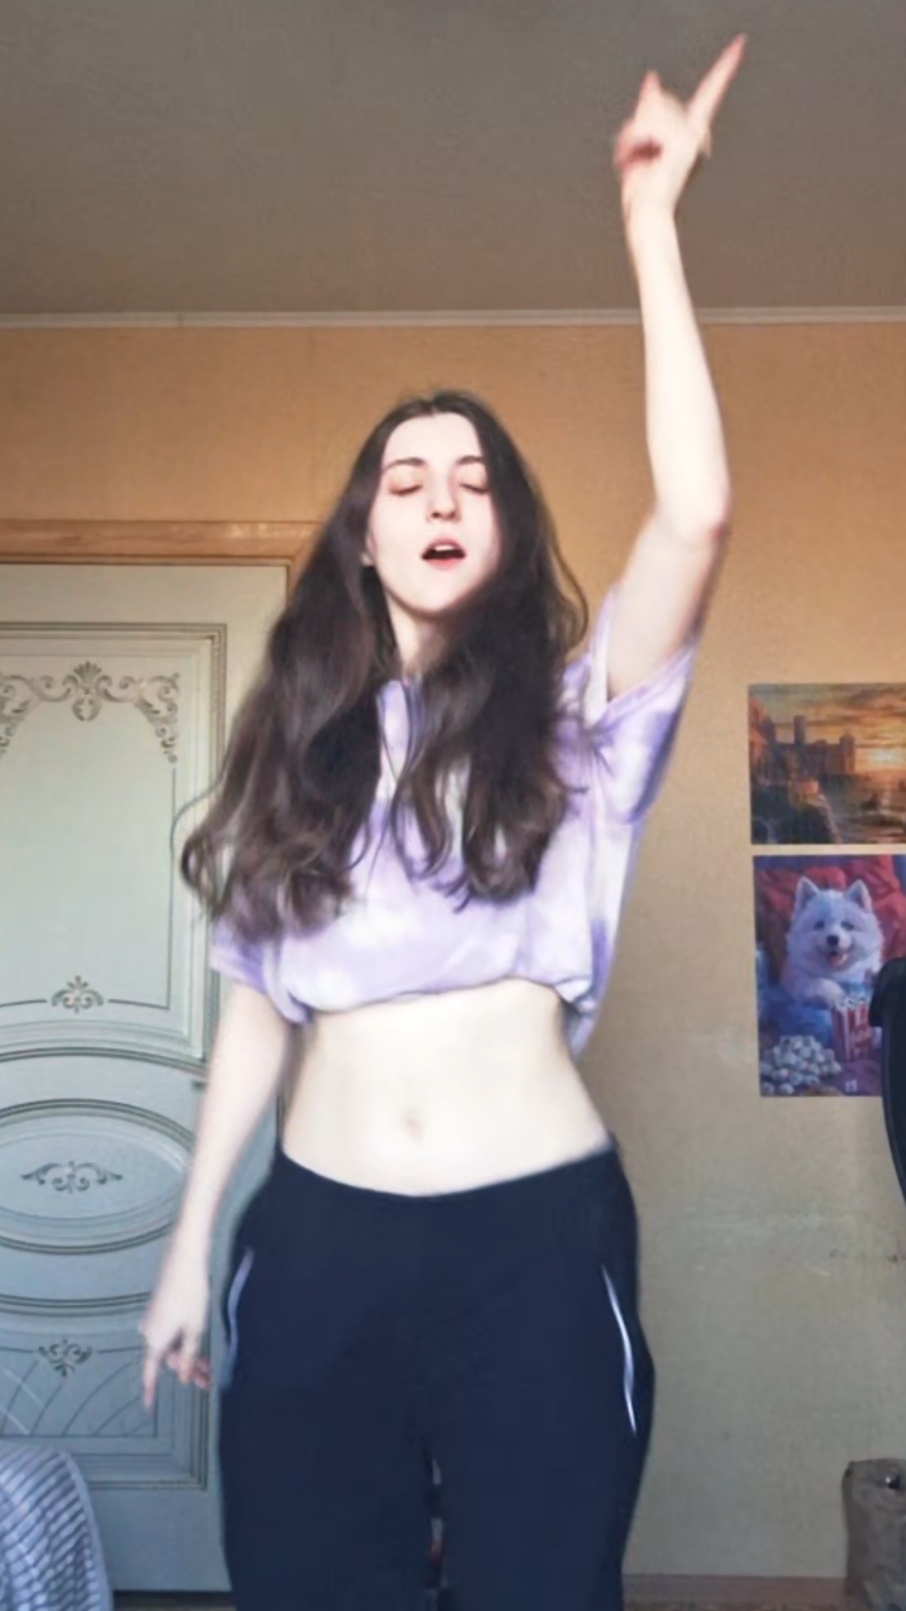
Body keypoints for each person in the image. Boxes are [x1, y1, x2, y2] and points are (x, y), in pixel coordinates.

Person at [139, 36, 746, 1611]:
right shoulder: (301, 745)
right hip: (317, 1247)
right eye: (403, 478)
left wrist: (650, 228)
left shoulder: (582, 718)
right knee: (303, 1585)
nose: (436, 496)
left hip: (534, 1246)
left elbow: (693, 514)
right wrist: (191, 1244)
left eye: (470, 479)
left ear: (505, 527)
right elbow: (256, 1007)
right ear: (362, 532)